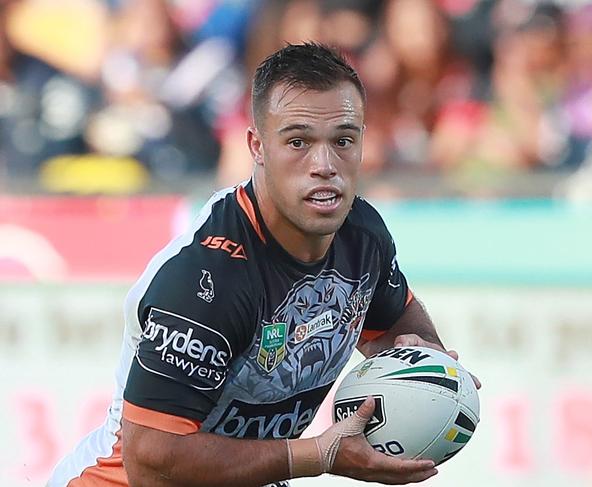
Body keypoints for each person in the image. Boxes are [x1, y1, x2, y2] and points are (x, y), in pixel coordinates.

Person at [47, 42, 480, 487]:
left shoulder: (361, 234)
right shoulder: (209, 277)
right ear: (256, 145)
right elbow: (152, 461)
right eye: (298, 142)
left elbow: (392, 318)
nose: (325, 165)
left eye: (343, 141)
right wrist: (319, 454)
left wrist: (424, 359)